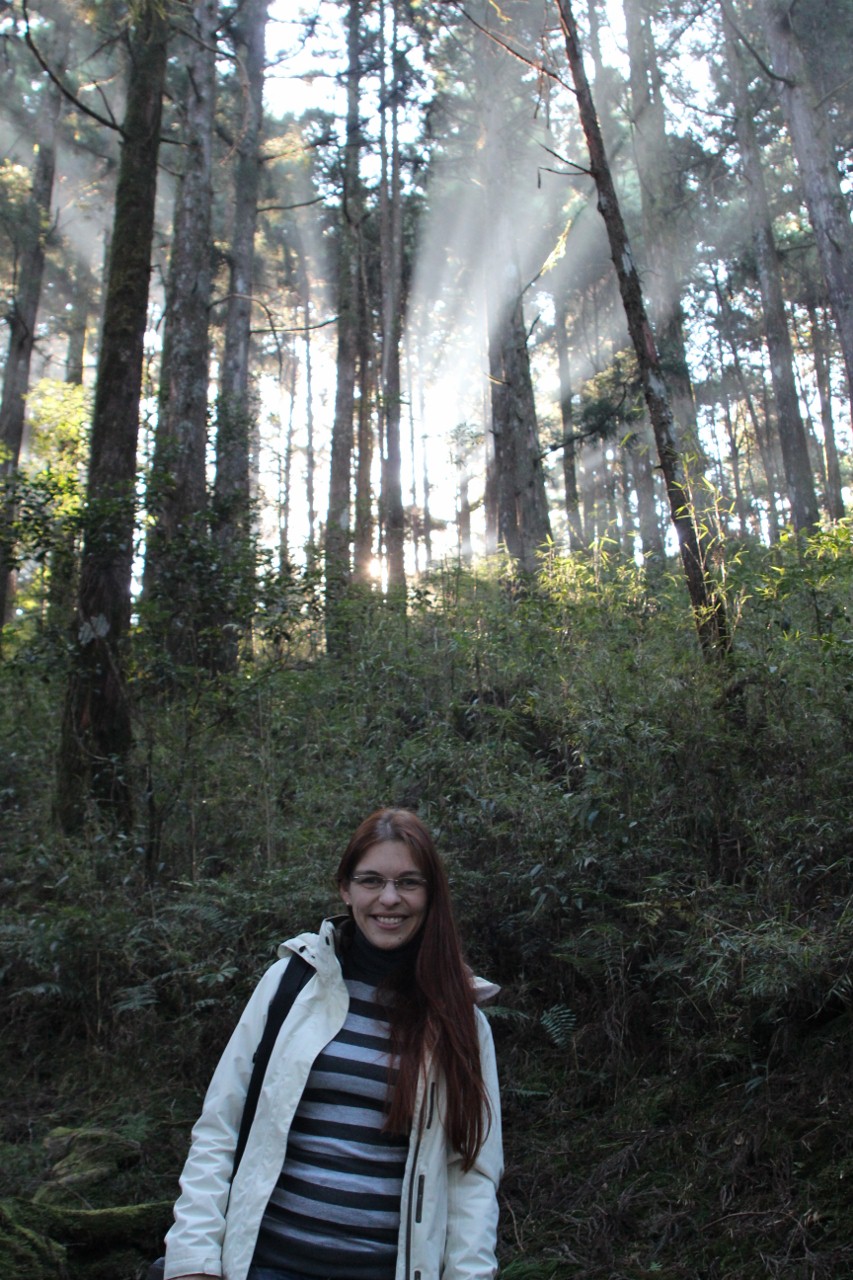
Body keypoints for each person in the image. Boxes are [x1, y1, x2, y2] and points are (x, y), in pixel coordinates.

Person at [162, 807, 503, 1280]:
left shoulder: (458, 1021)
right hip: (266, 1266)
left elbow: (471, 1176)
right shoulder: (290, 986)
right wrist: (193, 1259)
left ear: (431, 894)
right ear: (345, 888)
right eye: (371, 881)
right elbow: (221, 1125)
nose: (389, 898)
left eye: (408, 882)